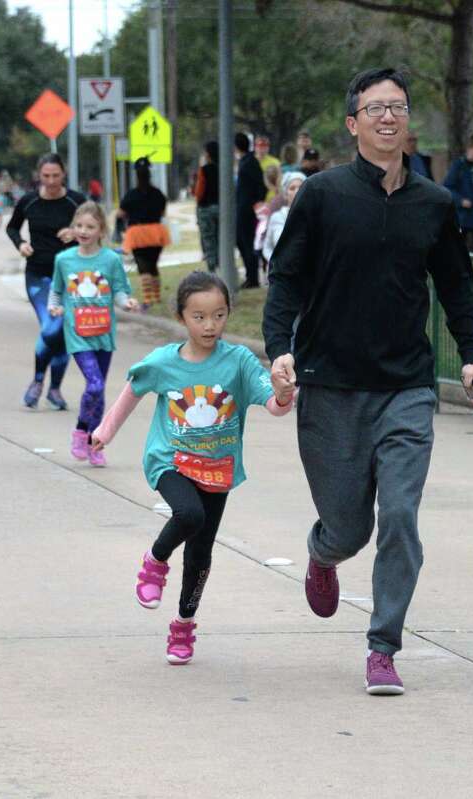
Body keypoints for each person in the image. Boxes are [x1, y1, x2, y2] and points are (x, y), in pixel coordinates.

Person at [263, 67, 473, 695]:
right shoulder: (323, 195)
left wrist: (470, 354)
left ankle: (383, 645)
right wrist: (277, 350)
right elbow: (286, 279)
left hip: (405, 386)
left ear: (408, 119)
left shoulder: (434, 204)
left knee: (399, 515)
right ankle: (323, 552)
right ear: (353, 122)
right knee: (349, 527)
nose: (388, 117)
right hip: (331, 385)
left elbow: (455, 286)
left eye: (398, 107)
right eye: (375, 108)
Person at [91, 271, 295, 664]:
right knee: (188, 514)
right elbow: (131, 392)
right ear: (182, 316)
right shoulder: (164, 361)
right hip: (171, 461)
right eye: (199, 317)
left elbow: (272, 404)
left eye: (218, 315)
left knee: (200, 554)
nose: (210, 325)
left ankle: (183, 625)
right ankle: (155, 560)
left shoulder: (238, 361)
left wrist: (285, 395)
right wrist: (104, 431)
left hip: (217, 469)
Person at [48, 202, 137, 466]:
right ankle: (80, 432)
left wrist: (126, 303)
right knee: (95, 384)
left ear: (101, 230)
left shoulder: (110, 260)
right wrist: (54, 307)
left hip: (103, 334)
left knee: (98, 391)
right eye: (79, 226)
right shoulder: (64, 260)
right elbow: (57, 291)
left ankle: (95, 443)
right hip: (77, 334)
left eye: (90, 227)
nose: (83, 231)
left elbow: (120, 291)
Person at [6, 153, 86, 410]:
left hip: (71, 277)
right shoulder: (29, 201)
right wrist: (21, 244)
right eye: (46, 176)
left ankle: (54, 389)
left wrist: (75, 232)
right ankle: (39, 381)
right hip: (38, 274)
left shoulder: (77, 201)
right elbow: (12, 227)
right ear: (39, 175)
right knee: (51, 327)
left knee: (61, 333)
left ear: (64, 174)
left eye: (56, 176)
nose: (51, 181)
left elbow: (96, 227)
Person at [118, 157, 171, 310]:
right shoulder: (157, 193)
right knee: (153, 265)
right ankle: (157, 296)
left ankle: (148, 300)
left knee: (143, 267)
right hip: (156, 232)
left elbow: (121, 213)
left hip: (137, 234)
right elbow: (162, 212)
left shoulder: (131, 194)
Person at [235, 132, 266, 289]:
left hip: (246, 210)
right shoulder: (247, 162)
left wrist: (254, 204)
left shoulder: (249, 163)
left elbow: (260, 187)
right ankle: (250, 275)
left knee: (247, 243)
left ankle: (252, 277)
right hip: (244, 209)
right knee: (242, 243)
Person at [262, 171, 305, 265]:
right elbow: (267, 246)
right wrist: (275, 263)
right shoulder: (277, 217)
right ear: (286, 194)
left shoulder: (314, 217)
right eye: (292, 188)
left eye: (300, 187)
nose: (297, 191)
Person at [194, 141, 220, 273]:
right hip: (222, 209)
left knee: (209, 239)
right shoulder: (224, 169)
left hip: (206, 208)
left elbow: (199, 192)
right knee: (220, 238)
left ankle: (212, 268)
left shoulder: (204, 170)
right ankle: (223, 264)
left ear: (208, 154)